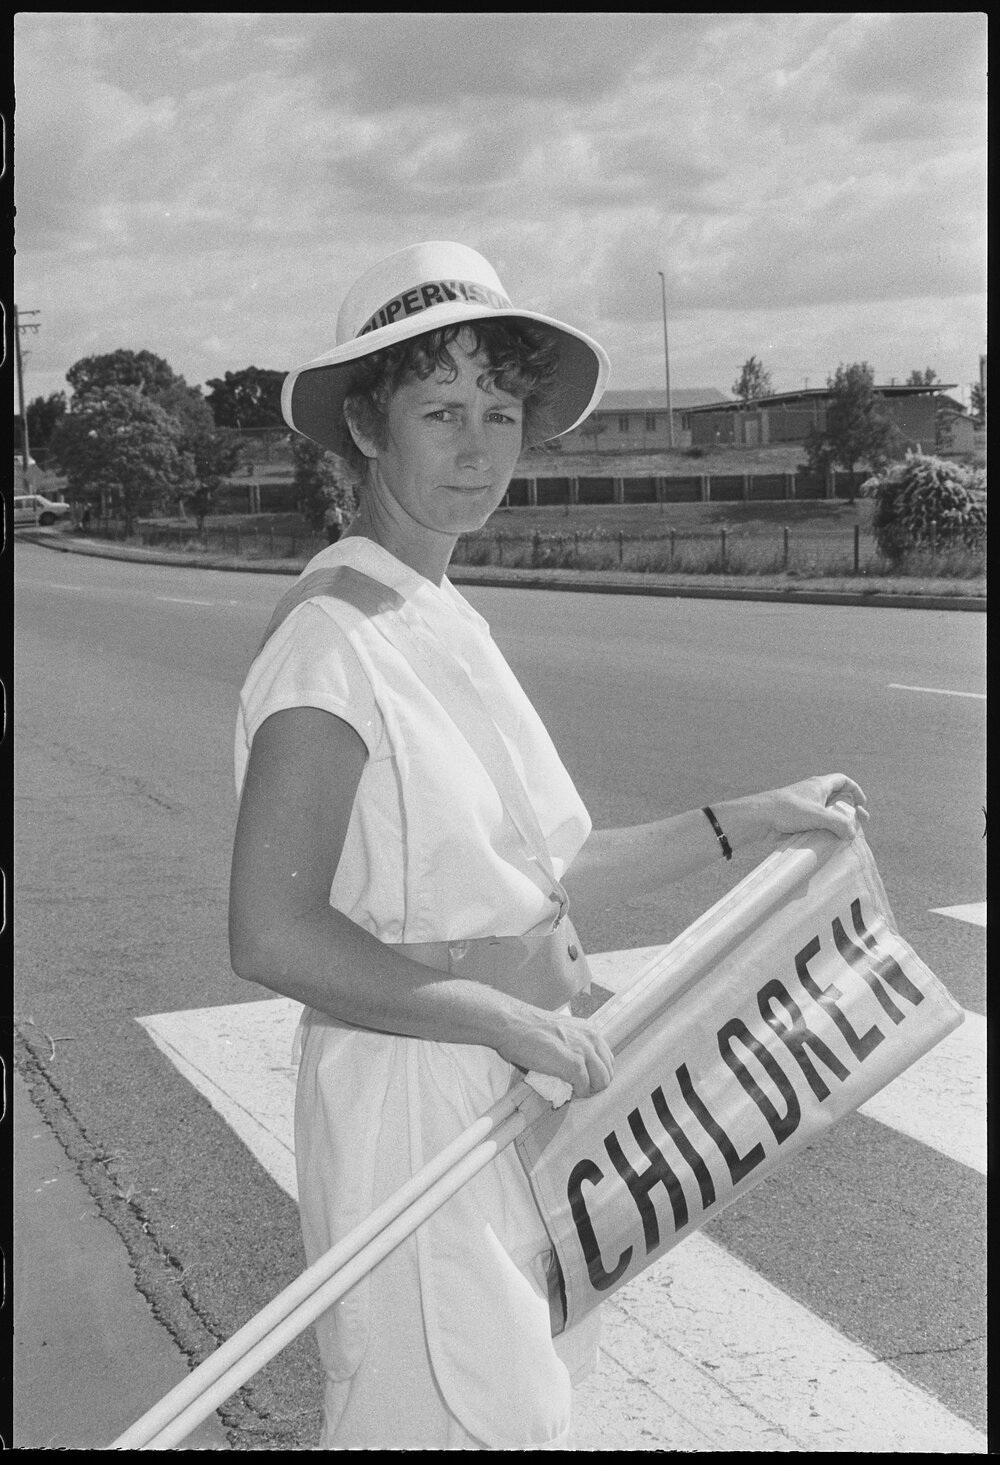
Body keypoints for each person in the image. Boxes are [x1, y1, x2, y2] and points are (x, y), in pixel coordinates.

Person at [228, 241, 868, 1450]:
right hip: (417, 1095)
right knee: (447, 1420)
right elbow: (270, 929)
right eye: (439, 410)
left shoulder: (435, 613)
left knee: (523, 1407)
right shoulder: (331, 641)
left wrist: (752, 817)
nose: (477, 447)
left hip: (513, 1087)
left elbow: (546, 875)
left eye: (500, 411)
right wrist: (501, 1020)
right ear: (366, 429)